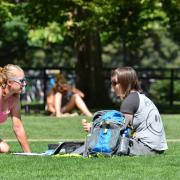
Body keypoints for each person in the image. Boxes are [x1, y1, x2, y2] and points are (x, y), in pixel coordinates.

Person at [82, 67, 168, 156]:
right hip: (156, 148)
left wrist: (94, 129)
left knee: (104, 146)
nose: (112, 87)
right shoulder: (139, 97)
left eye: (115, 83)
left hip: (146, 148)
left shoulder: (129, 101)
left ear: (125, 82)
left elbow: (120, 130)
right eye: (112, 83)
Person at [0, 64, 31, 153]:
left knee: (5, 149)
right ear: (9, 82)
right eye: (21, 81)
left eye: (24, 80)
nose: (24, 84)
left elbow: (18, 127)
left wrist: (29, 153)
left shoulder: (15, 98)